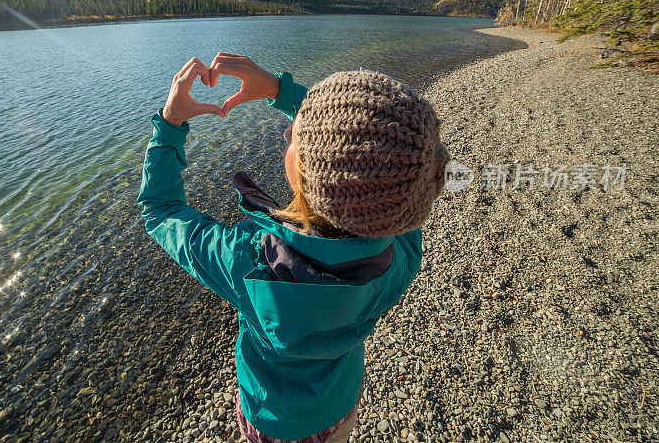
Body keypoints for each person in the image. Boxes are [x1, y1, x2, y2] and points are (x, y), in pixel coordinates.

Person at [136, 53, 450, 442]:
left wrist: (170, 125)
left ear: (308, 174)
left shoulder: (250, 263)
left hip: (272, 422)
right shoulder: (401, 247)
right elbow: (369, 161)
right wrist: (279, 91)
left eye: (294, 140)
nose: (287, 136)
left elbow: (160, 210)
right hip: (339, 404)